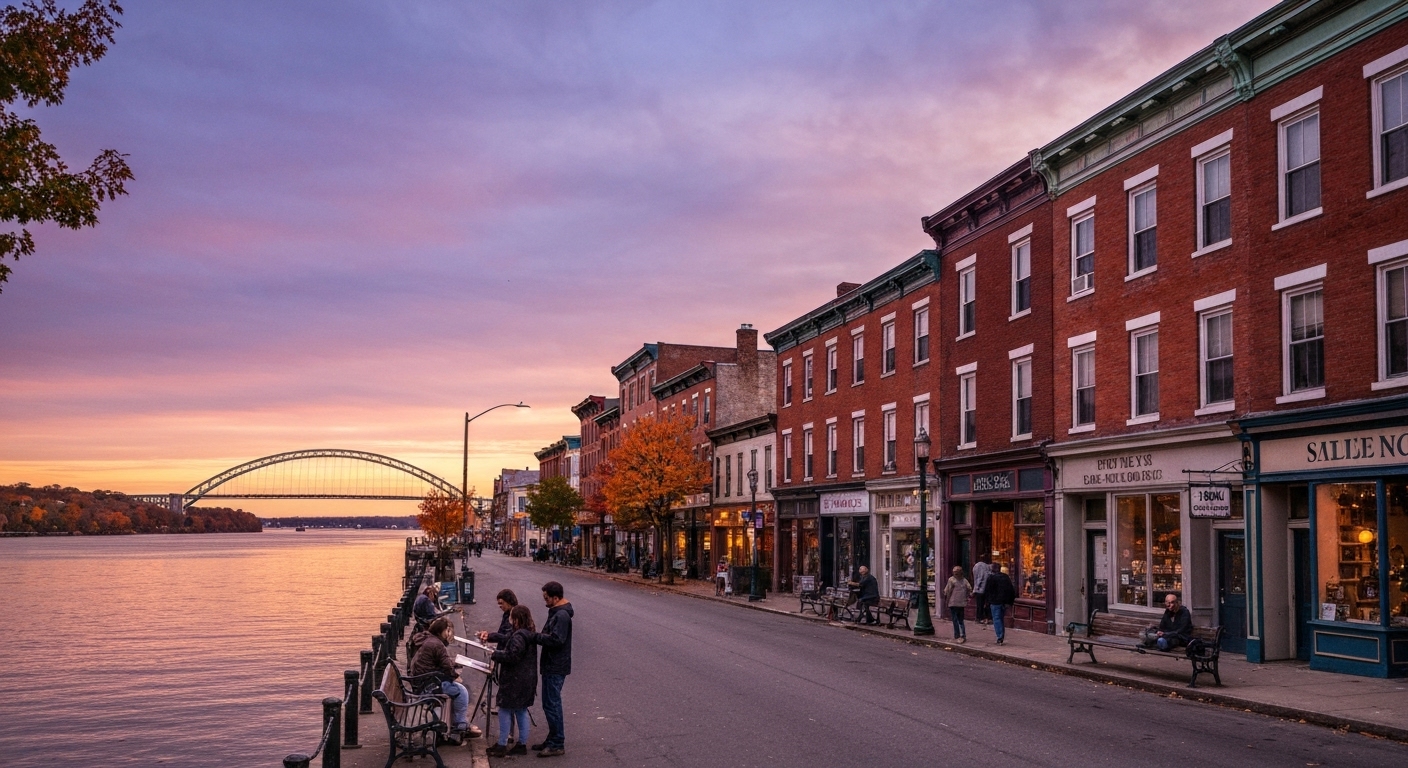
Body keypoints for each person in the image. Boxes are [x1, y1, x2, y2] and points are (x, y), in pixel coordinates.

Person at [408, 617, 478, 743]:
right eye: (447, 631)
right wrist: (456, 677)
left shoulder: (429, 640)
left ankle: (451, 726)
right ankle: (460, 726)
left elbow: (440, 661)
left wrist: (453, 665)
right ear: (441, 631)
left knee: (455, 690)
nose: (448, 633)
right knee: (461, 691)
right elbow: (447, 667)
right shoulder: (437, 644)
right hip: (428, 686)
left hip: (421, 683)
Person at [485, 605, 539, 757]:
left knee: (504, 710)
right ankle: (521, 743)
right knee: (521, 710)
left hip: (514, 680)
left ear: (516, 619)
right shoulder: (529, 633)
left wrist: (495, 654)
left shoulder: (518, 636)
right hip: (527, 679)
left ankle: (502, 744)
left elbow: (512, 656)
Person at [530, 581, 573, 758]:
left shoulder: (561, 616)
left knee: (552, 704)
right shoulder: (556, 612)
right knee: (549, 704)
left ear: (556, 598)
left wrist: (536, 637)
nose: (545, 601)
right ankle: (552, 738)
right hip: (552, 664)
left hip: (555, 665)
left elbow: (557, 640)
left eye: (547, 598)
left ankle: (557, 743)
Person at [984, 563, 1016, 645]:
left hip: (995, 602)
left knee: (997, 619)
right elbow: (1011, 590)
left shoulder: (991, 578)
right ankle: (1001, 635)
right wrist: (1010, 601)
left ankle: (1000, 637)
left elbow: (988, 591)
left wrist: (987, 601)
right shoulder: (1005, 577)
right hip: (1004, 602)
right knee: (1000, 618)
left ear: (992, 569)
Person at [942, 565, 972, 643]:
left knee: (955, 620)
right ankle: (963, 634)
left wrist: (946, 600)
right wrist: (966, 596)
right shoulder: (964, 580)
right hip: (961, 603)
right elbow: (969, 589)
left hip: (953, 602)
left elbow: (947, 591)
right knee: (961, 620)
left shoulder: (951, 580)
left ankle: (957, 635)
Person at [970, 557, 992, 626]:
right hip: (986, 589)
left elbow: (978, 579)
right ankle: (986, 617)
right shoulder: (987, 566)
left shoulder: (978, 566)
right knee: (986, 604)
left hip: (980, 590)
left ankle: (979, 618)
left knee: (980, 604)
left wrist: (975, 589)